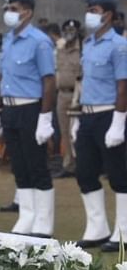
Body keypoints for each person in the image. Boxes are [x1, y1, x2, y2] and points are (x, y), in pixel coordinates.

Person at [0, 0, 56, 237]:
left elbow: (48, 80)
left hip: (31, 107)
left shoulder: (39, 41)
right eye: (7, 9)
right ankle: (27, 216)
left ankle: (44, 222)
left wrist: (45, 117)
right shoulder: (8, 39)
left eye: (14, 9)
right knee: (19, 165)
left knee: (37, 165)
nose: (9, 13)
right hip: (10, 108)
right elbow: (2, 76)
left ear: (27, 12)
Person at [69, 0, 127, 250]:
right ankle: (98, 228)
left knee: (118, 174)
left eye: (94, 10)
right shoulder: (90, 43)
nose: (89, 14)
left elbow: (123, 86)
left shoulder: (119, 45)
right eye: (89, 9)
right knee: (85, 172)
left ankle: (123, 231)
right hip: (88, 114)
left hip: (109, 113)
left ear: (108, 15)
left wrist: (118, 122)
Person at [55, 18, 83, 178]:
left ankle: (84, 164)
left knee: (78, 132)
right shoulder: (59, 48)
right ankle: (68, 165)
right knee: (64, 132)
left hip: (78, 95)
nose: (69, 33)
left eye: (72, 30)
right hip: (62, 94)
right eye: (66, 30)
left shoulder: (83, 49)